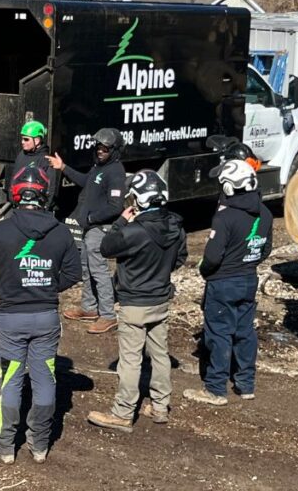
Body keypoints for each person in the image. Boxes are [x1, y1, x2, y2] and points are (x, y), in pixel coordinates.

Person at [0, 166, 81, 464]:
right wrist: (46, 287)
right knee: (45, 377)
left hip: (11, 317)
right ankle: (40, 444)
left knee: (11, 379)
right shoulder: (60, 232)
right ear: (45, 195)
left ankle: (3, 445)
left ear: (15, 193)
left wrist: (4, 291)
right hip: (46, 316)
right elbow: (74, 272)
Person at [87, 169, 187, 431]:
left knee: (131, 359)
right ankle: (160, 406)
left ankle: (122, 413)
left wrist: (121, 221)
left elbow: (106, 247)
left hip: (134, 303)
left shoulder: (133, 232)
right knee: (160, 354)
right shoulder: (176, 225)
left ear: (140, 199)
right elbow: (180, 258)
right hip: (160, 299)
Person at [183, 160, 272, 406]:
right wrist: (247, 261)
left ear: (229, 187)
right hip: (248, 279)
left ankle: (215, 388)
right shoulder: (264, 213)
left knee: (218, 334)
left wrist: (205, 270)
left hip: (223, 282)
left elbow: (212, 257)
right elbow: (266, 249)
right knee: (245, 332)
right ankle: (246, 384)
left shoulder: (225, 217)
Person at [47, 128, 127, 334]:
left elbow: (115, 206)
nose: (100, 151)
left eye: (105, 149)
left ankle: (108, 315)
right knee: (86, 268)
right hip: (89, 228)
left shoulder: (115, 171)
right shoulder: (98, 167)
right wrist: (63, 167)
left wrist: (92, 218)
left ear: (115, 150)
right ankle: (89, 308)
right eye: (98, 147)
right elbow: (86, 182)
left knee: (98, 270)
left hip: (99, 229)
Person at [10, 121, 58, 210]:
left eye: (26, 139)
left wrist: (45, 208)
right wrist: (12, 200)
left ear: (36, 140)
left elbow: (51, 188)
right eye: (22, 139)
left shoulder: (46, 159)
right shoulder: (21, 155)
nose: (22, 142)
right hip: (19, 206)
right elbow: (14, 178)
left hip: (37, 209)